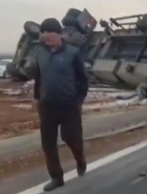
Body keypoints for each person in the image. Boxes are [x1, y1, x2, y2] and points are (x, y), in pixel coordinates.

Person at [33, 18, 88, 192]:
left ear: (60, 34)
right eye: (44, 32)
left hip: (68, 105)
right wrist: (37, 97)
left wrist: (78, 101)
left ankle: (80, 158)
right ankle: (56, 177)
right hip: (47, 106)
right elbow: (39, 77)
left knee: (71, 137)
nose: (46, 36)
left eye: (50, 32)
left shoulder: (72, 53)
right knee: (48, 143)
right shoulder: (40, 52)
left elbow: (83, 80)